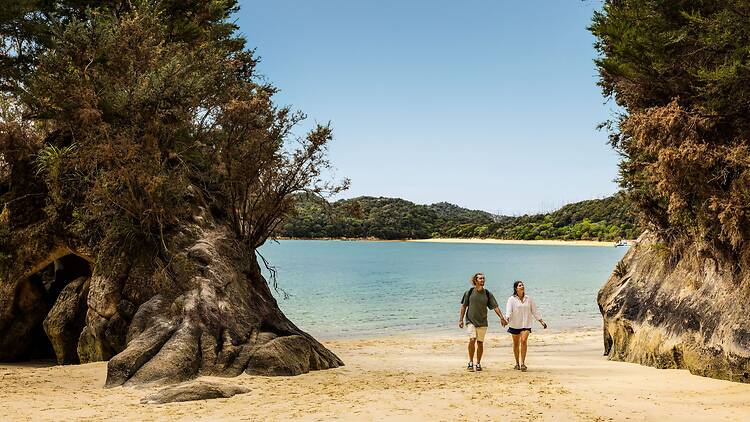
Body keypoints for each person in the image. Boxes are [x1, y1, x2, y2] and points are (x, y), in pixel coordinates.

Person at [459, 273, 508, 372]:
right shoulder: (469, 292)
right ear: (475, 281)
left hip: (482, 322)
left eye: (483, 279)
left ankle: (478, 363)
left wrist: (502, 318)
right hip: (470, 321)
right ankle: (470, 362)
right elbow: (464, 306)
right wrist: (461, 319)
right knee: (472, 339)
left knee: (480, 343)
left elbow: (495, 307)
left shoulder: (487, 293)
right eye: (480, 279)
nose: (482, 280)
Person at [505, 280, 547, 372]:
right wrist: (507, 319)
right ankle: (517, 363)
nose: (522, 286)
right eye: (520, 285)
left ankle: (523, 363)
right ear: (516, 288)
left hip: (526, 324)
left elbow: (534, 311)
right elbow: (509, 310)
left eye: (522, 285)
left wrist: (541, 321)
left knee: (523, 341)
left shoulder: (529, 299)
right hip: (515, 324)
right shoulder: (511, 299)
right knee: (516, 344)